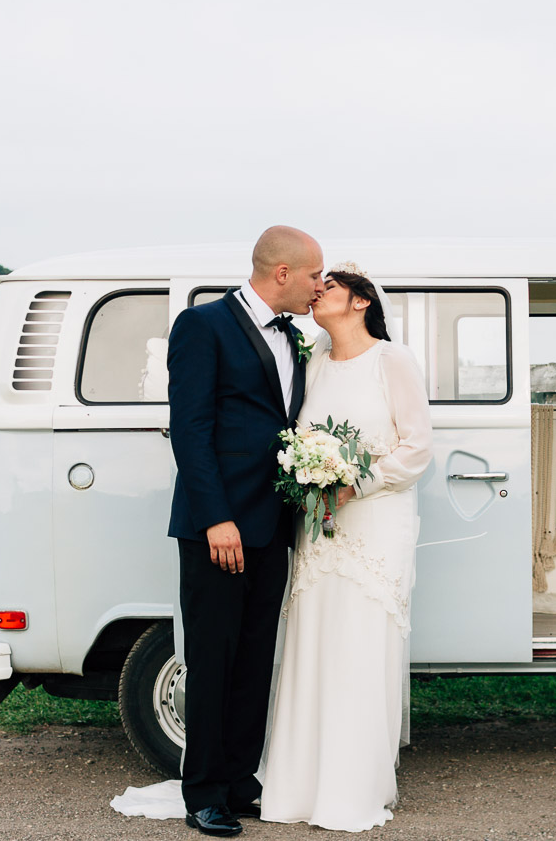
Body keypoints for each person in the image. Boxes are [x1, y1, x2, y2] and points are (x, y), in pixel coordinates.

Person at [256, 261, 433, 832]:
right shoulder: (312, 364)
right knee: (314, 644)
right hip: (319, 525)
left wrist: (357, 481)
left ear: (360, 302)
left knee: (359, 644)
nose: (315, 293)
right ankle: (300, 789)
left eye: (327, 286)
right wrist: (309, 478)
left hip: (376, 522)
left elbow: (417, 449)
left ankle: (354, 788)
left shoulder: (393, 360)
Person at [164, 226, 324, 837]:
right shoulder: (202, 326)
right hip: (219, 526)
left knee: (256, 658)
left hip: (274, 523)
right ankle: (202, 790)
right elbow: (192, 430)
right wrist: (215, 518)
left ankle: (238, 778)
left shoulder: (296, 338)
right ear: (282, 272)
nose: (319, 285)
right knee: (213, 656)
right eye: (313, 275)